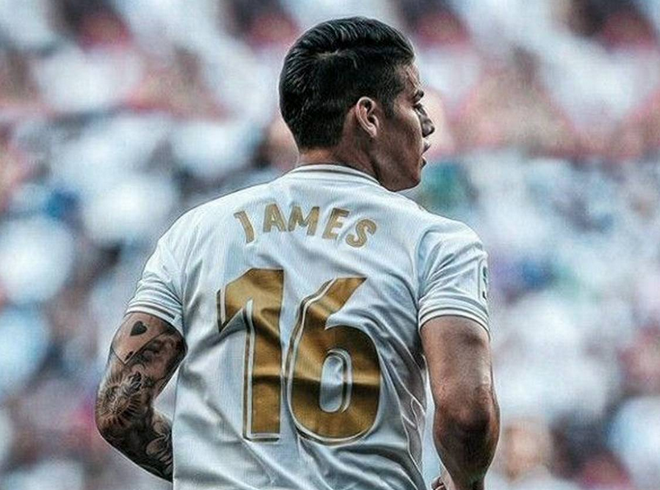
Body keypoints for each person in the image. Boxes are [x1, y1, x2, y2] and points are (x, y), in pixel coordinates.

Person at [95, 16, 499, 490]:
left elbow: (118, 408)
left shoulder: (195, 232)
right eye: (415, 102)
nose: (427, 123)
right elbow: (466, 414)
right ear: (368, 116)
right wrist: (465, 484)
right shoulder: (437, 242)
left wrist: (211, 470)